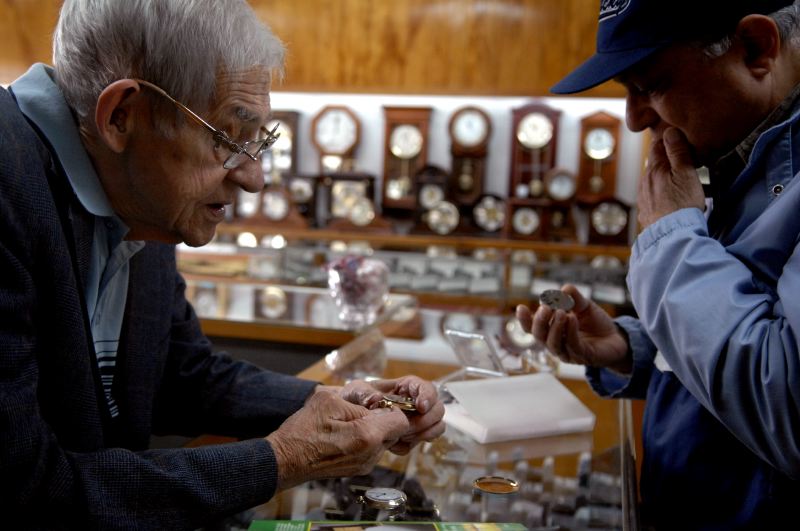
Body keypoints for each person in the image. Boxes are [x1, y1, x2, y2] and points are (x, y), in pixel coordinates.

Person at [0, 1, 445, 529]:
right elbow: (26, 489)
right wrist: (284, 459)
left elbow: (179, 373)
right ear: (122, 116)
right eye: (227, 138)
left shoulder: (142, 190)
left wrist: (335, 402)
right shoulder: (10, 181)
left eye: (258, 142)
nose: (254, 178)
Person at [516, 0, 800, 528]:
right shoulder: (735, 153)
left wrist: (670, 240)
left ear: (756, 48)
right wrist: (635, 348)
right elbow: (747, 325)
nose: (633, 118)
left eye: (650, 85)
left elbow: (788, 406)